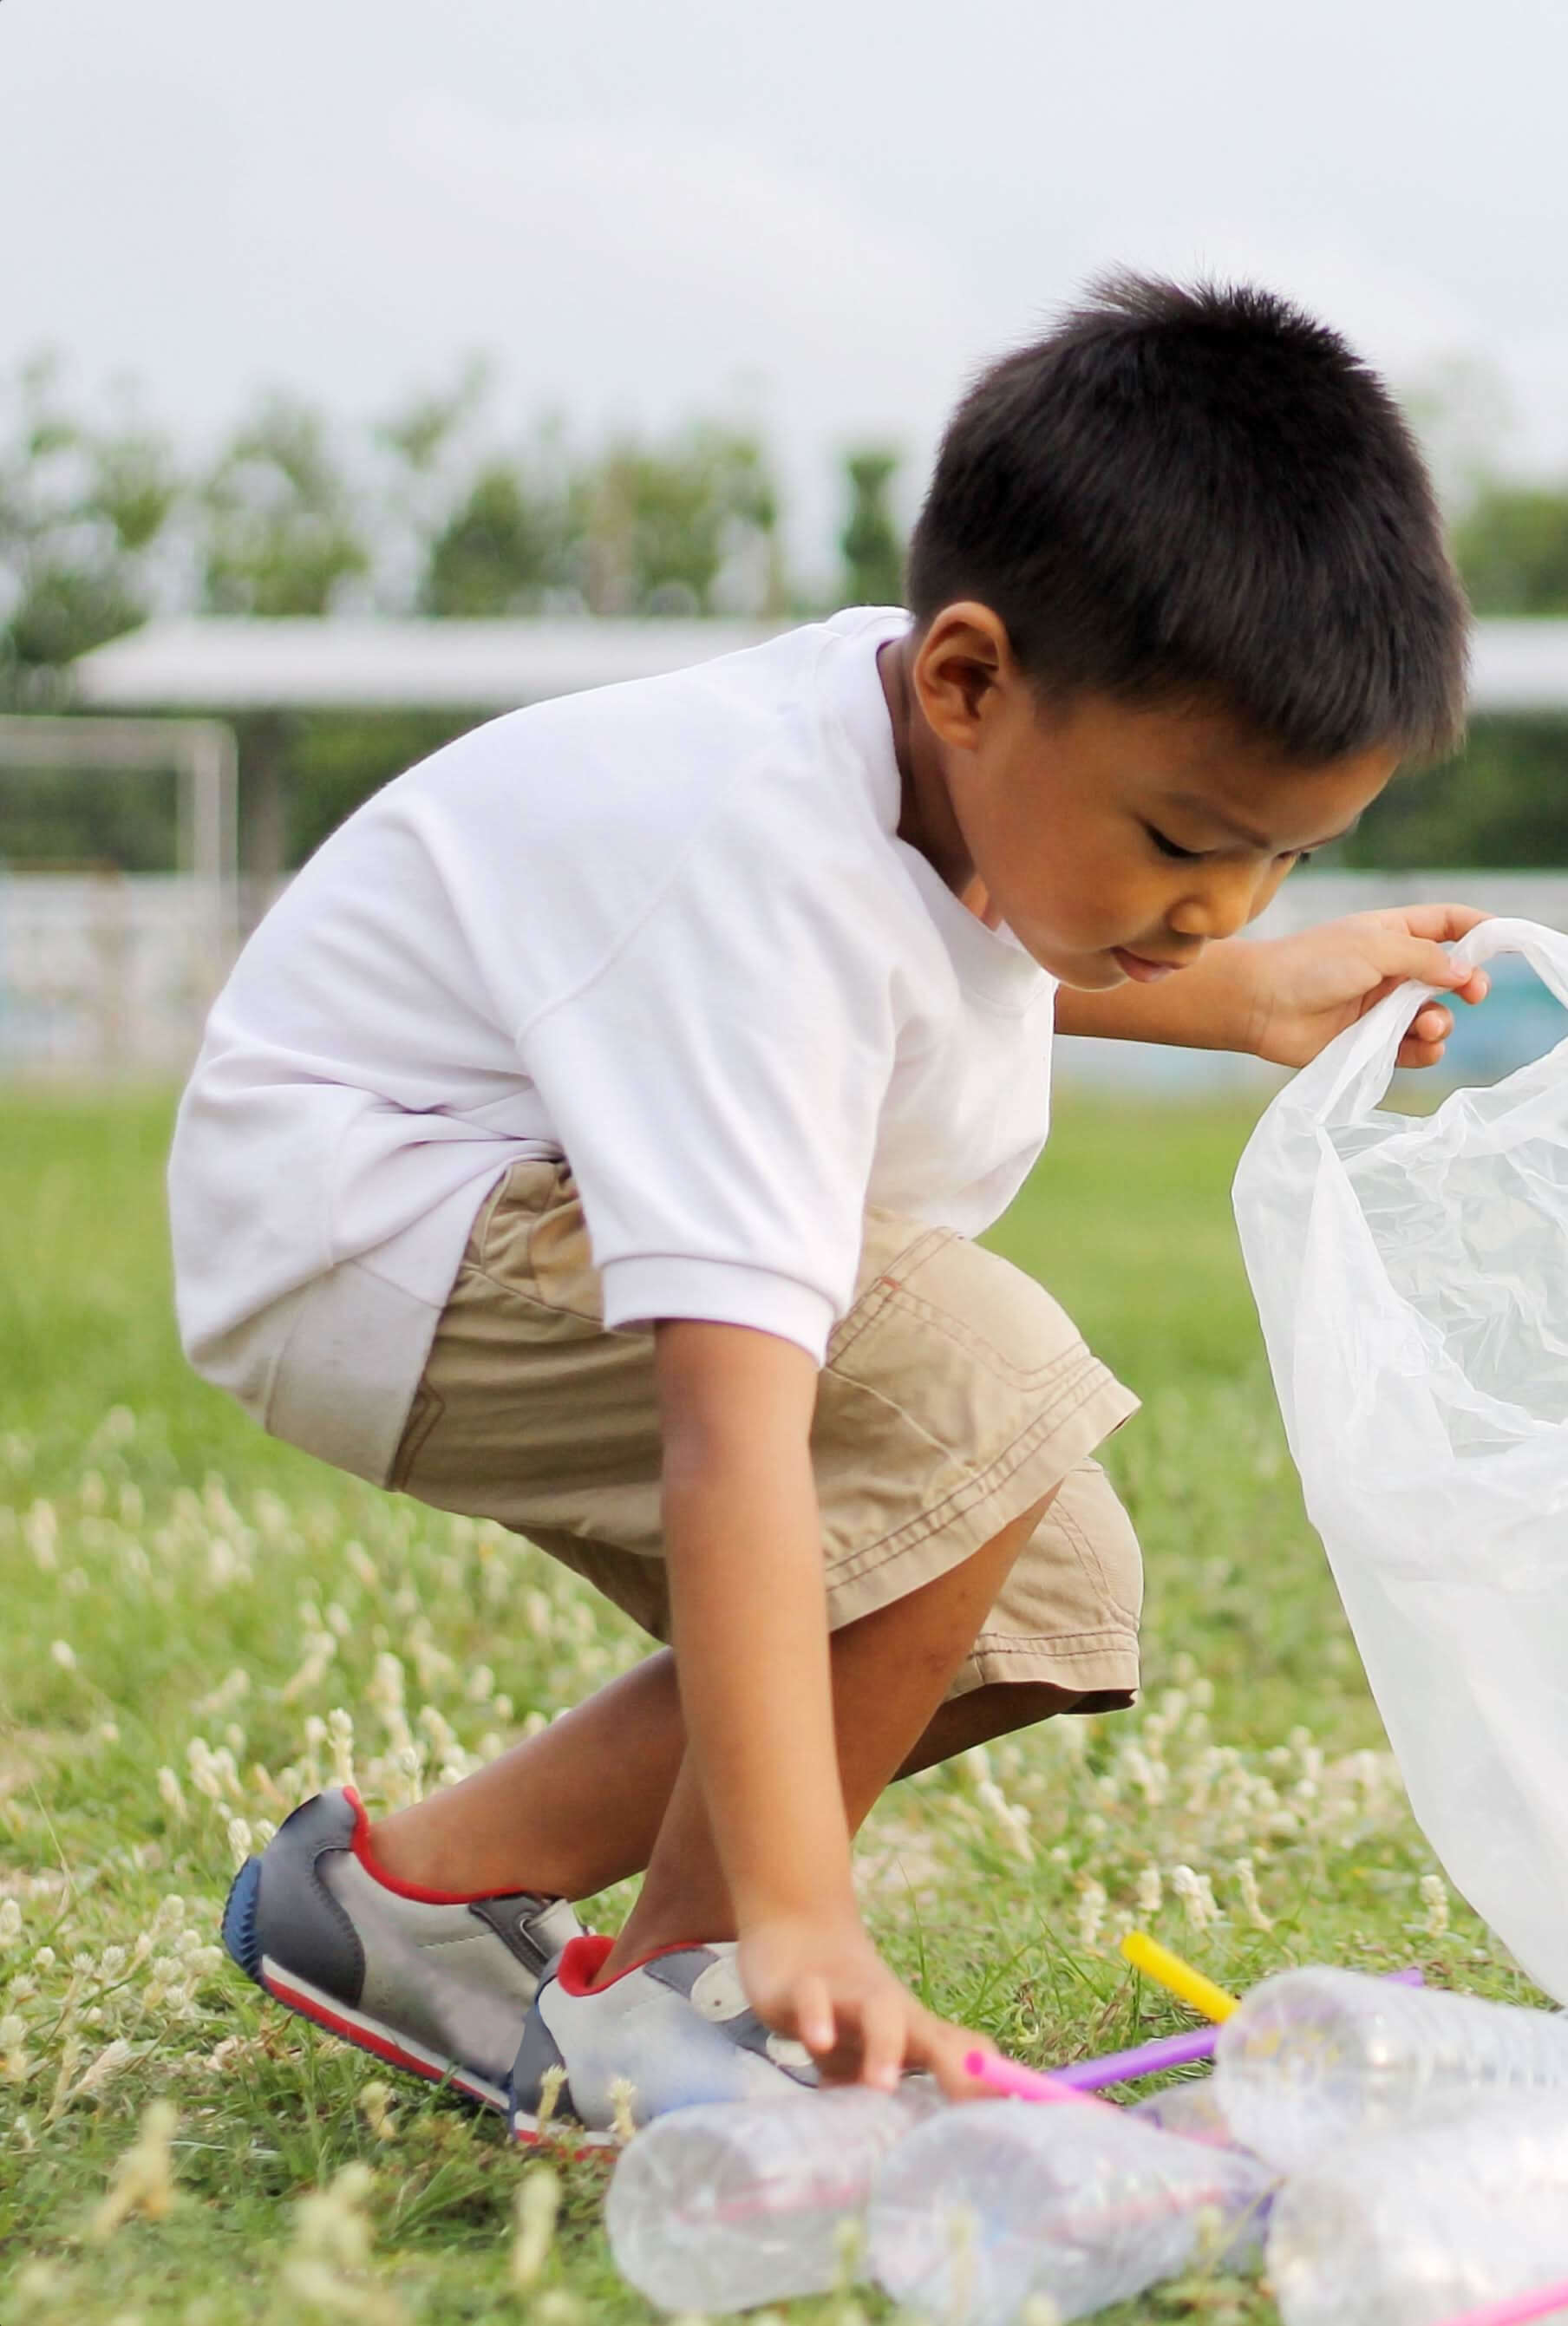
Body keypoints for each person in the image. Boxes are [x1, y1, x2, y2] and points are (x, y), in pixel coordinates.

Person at [173, 278, 1483, 2140]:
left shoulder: (964, 744)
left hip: (467, 1204)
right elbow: (737, 1431)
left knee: (1040, 1570)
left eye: (1287, 855)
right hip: (369, 1222)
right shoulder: (751, 863)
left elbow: (979, 922)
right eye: (1193, 842)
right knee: (984, 1387)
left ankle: (411, 1893)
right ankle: (692, 1994)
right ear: (966, 678)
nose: (1226, 901)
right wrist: (799, 1908)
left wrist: (1237, 991)